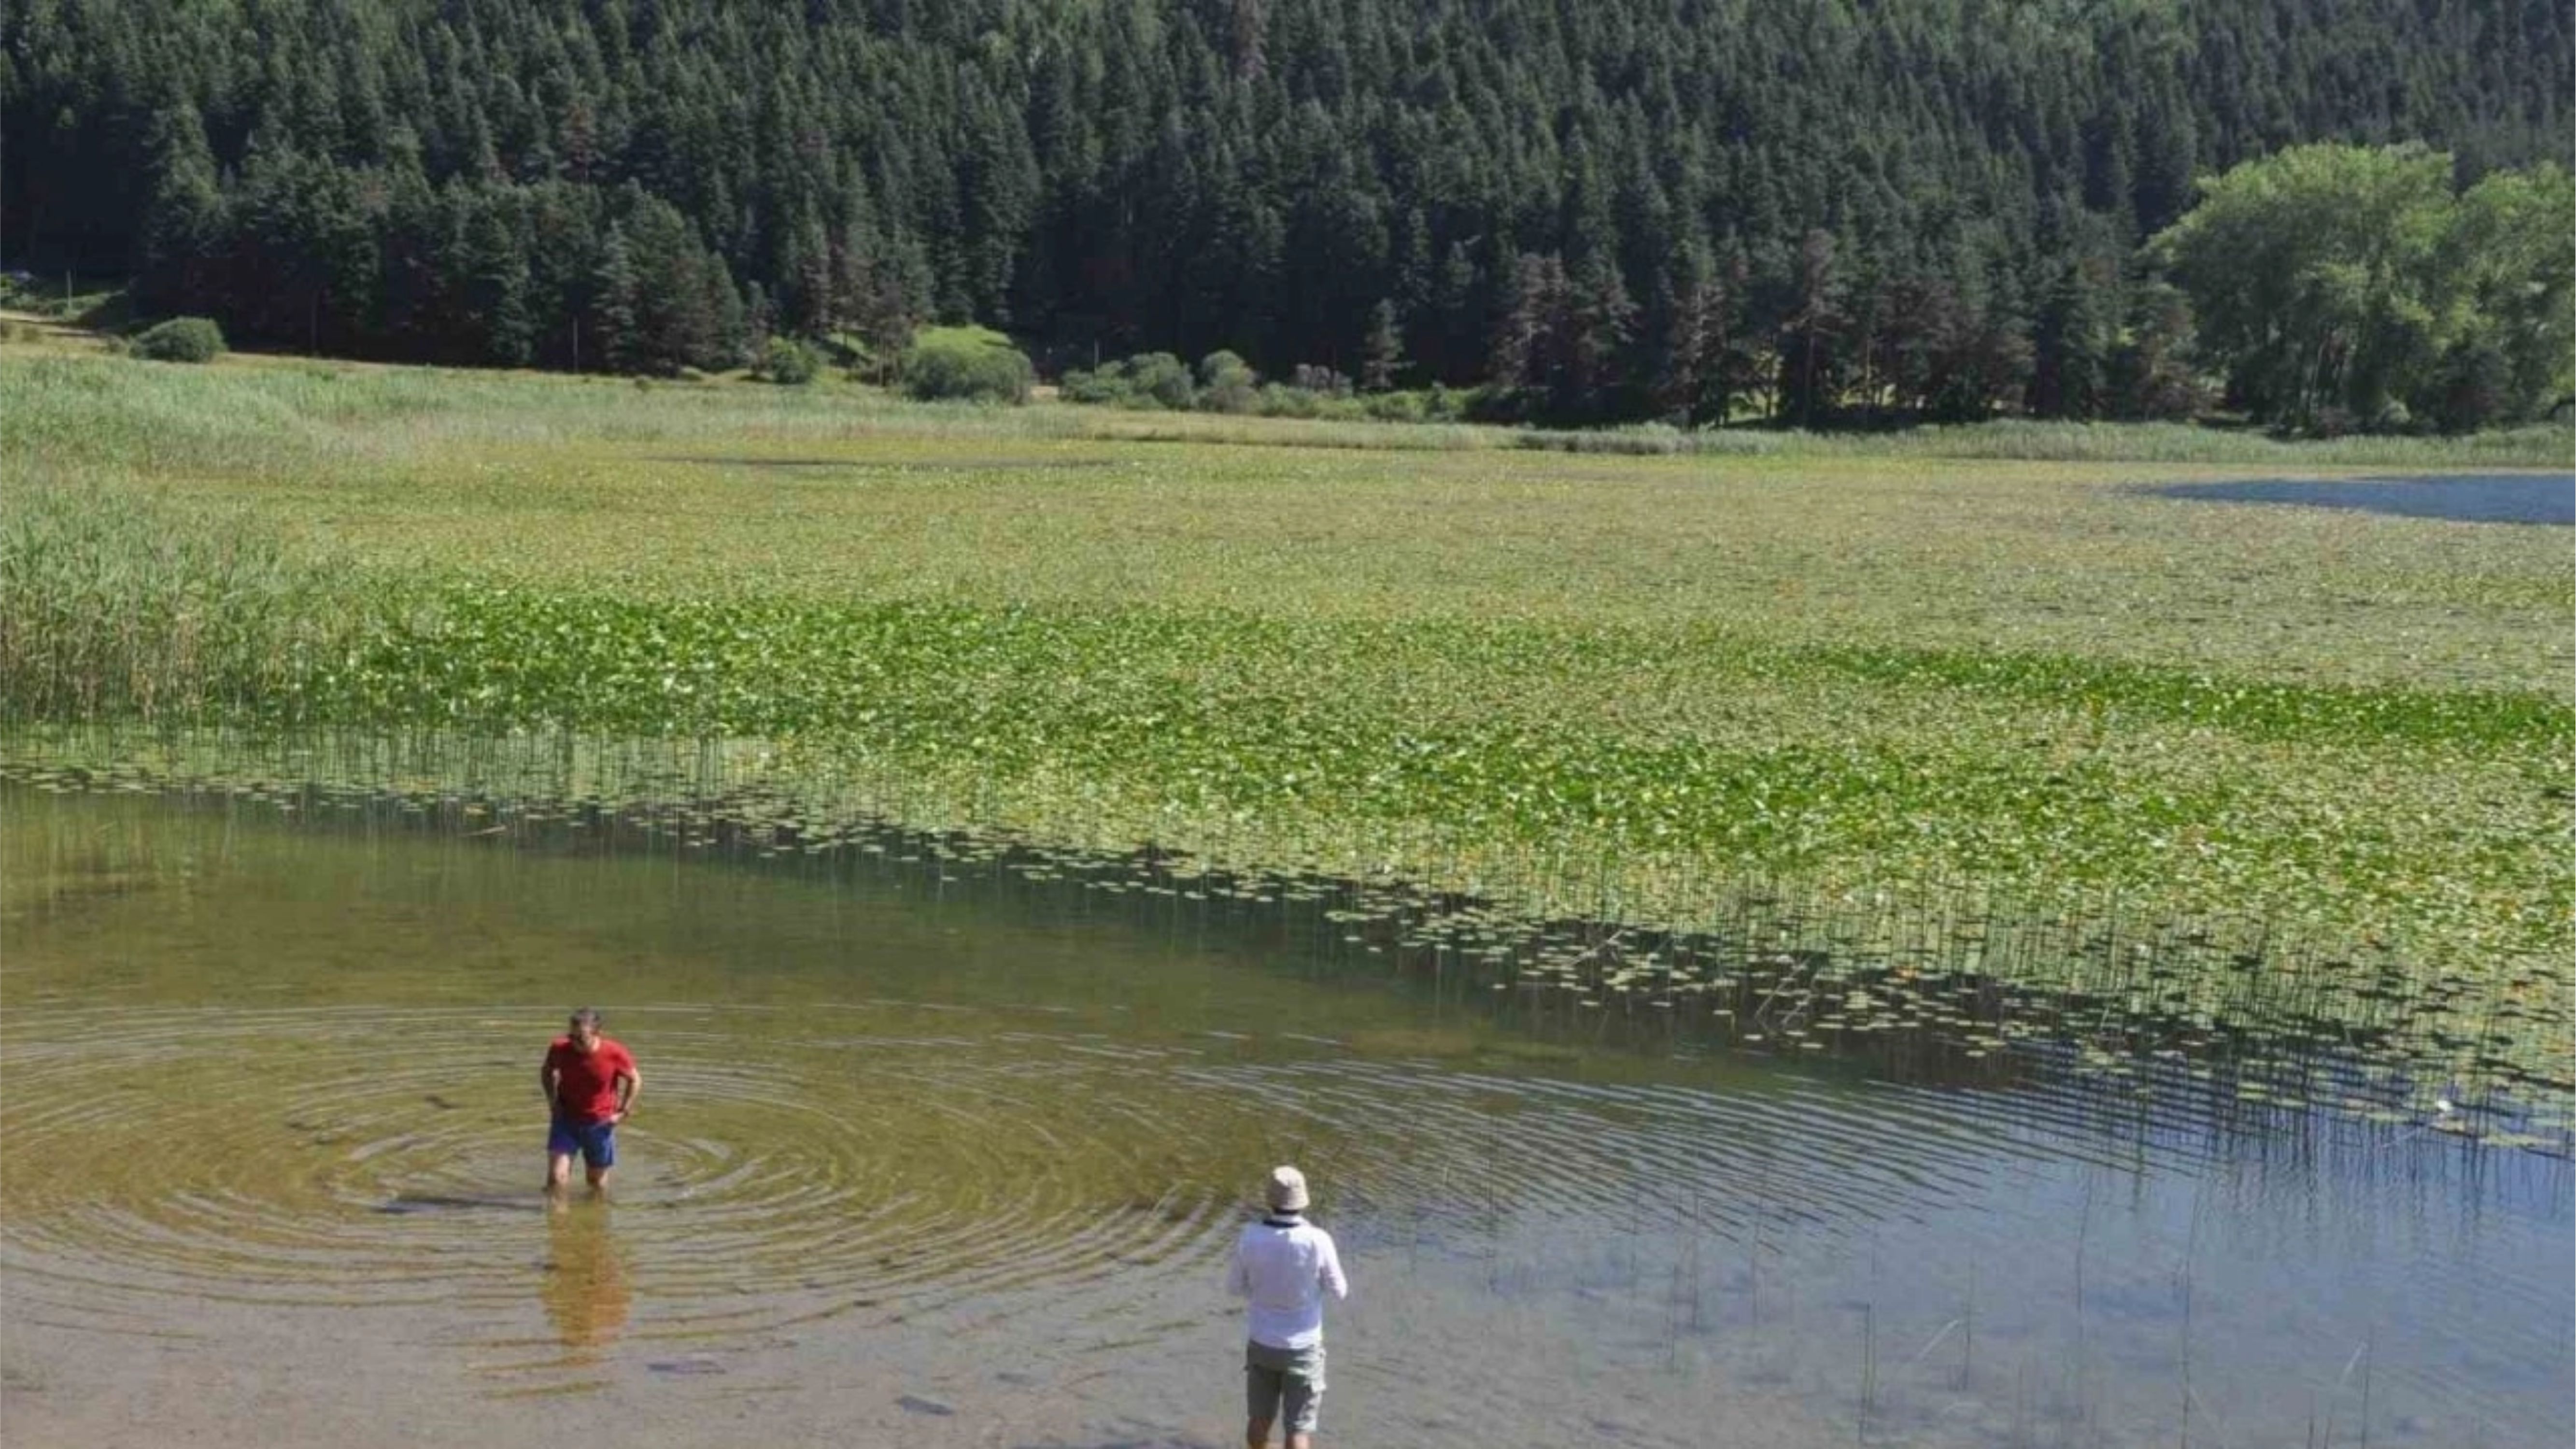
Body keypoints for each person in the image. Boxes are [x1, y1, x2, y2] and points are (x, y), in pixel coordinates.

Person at [1228, 1165, 1348, 1449]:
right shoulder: (1318, 1240)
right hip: (1304, 1348)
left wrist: (1261, 1292)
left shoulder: (1250, 1236)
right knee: (1298, 1429)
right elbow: (1340, 1291)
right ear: (1303, 1201)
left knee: (1259, 1419)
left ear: (1269, 1200)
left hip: (1262, 1343)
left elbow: (1234, 1288)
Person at [539, 1008, 639, 1195]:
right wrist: (552, 1102)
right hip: (565, 1119)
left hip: (599, 1123)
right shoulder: (560, 1048)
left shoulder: (614, 1053)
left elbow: (635, 1079)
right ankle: (559, 1223)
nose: (574, 1042)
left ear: (597, 1034)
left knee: (596, 1184)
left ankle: (594, 1222)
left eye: (581, 1038)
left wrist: (623, 1112)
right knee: (556, 1179)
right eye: (572, 1036)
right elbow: (547, 1071)